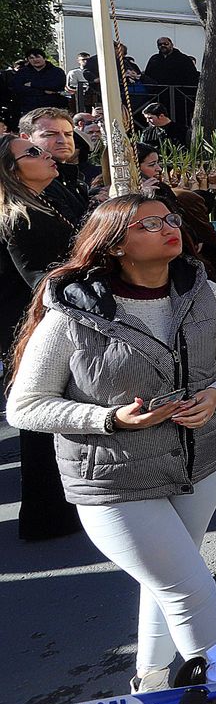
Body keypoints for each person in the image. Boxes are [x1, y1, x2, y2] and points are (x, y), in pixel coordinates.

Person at [7, 195, 216, 693]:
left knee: (168, 578)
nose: (170, 228)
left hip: (202, 464)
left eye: (170, 219)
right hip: (113, 481)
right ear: (117, 244)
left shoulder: (208, 295)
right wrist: (108, 419)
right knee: (187, 586)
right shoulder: (71, 314)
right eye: (151, 223)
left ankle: (151, 682)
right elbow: (24, 405)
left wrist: (214, 396)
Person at [0, 133, 82, 541]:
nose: (46, 153)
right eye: (32, 152)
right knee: (40, 419)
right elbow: (36, 279)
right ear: (14, 170)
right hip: (32, 329)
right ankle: (45, 517)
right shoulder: (17, 215)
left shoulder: (50, 199)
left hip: (51, 320)